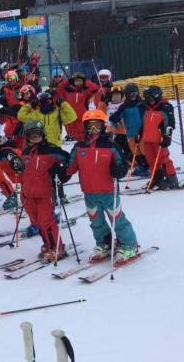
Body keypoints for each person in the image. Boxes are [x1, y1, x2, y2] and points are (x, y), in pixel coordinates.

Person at [66, 110, 139, 263]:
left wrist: (119, 170)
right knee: (96, 221)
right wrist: (61, 172)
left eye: (97, 126)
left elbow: (122, 164)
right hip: (89, 192)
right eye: (90, 127)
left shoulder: (111, 146)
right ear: (85, 127)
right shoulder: (80, 147)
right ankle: (104, 243)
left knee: (117, 219)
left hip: (108, 191)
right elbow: (70, 166)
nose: (93, 130)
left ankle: (129, 244)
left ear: (103, 126)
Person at [20, 120, 72, 262]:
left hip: (45, 193)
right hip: (28, 194)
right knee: (37, 222)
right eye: (32, 135)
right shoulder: (25, 152)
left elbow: (68, 161)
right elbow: (23, 171)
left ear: (43, 134)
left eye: (38, 134)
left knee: (46, 221)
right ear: (27, 136)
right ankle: (48, 244)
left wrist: (61, 173)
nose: (35, 137)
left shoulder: (53, 150)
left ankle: (57, 247)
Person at [138, 86, 179, 190]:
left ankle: (171, 179)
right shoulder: (146, 108)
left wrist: (167, 136)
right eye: (147, 99)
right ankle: (156, 178)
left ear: (157, 97)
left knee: (163, 159)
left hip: (159, 140)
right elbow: (143, 124)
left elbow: (170, 123)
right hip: (147, 139)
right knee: (151, 160)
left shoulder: (165, 107)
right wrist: (140, 134)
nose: (149, 102)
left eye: (150, 99)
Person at [109, 83, 149, 176]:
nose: (133, 96)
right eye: (130, 94)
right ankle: (142, 167)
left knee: (144, 149)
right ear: (126, 94)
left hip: (143, 132)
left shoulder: (142, 104)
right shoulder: (124, 106)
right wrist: (114, 118)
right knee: (135, 151)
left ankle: (150, 166)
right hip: (131, 133)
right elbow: (117, 115)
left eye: (135, 94)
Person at [58, 72, 99, 141]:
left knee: (82, 137)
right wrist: (68, 81)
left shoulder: (85, 91)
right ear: (73, 82)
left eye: (80, 81)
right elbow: (60, 88)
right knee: (72, 137)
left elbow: (95, 87)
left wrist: (85, 82)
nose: (78, 82)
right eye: (76, 81)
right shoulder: (67, 91)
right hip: (70, 118)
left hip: (81, 118)